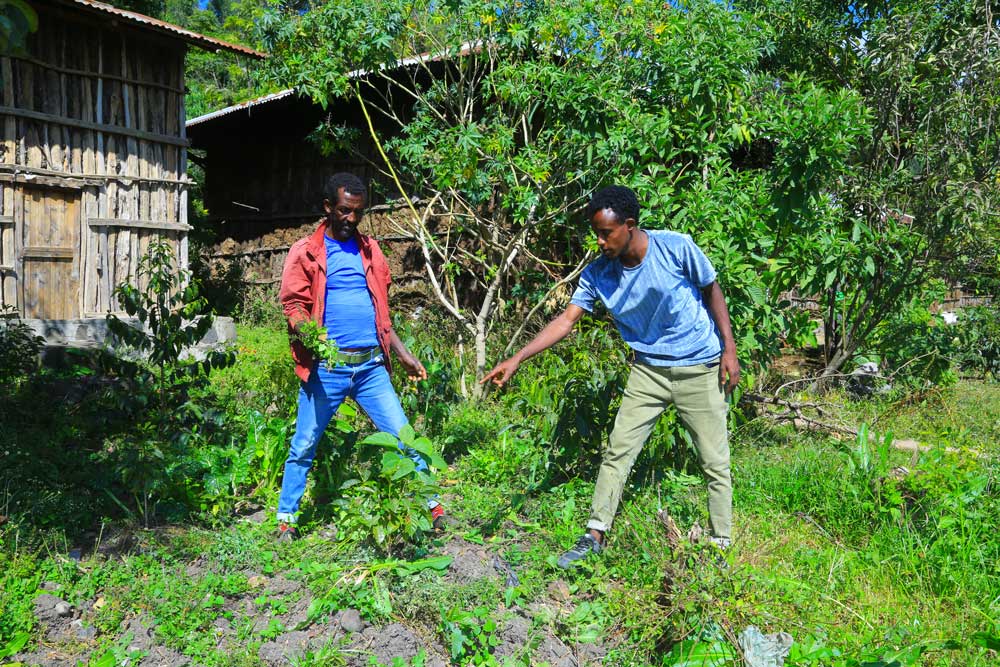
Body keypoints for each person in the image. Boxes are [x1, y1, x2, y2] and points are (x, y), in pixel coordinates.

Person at [482, 185, 740, 567]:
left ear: (630, 226)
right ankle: (594, 534)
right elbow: (567, 320)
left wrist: (728, 349)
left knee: (713, 460)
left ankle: (721, 543)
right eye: (596, 233)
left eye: (606, 233)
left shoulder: (676, 248)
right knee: (618, 451)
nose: (600, 242)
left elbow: (711, 289)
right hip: (647, 370)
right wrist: (519, 356)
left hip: (698, 365)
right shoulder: (599, 273)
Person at [275, 172, 442, 540]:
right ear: (328, 208)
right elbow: (293, 304)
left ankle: (433, 508)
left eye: (358, 212)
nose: (351, 219)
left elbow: (382, 315)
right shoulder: (306, 251)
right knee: (303, 445)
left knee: (404, 437)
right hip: (327, 369)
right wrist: (310, 336)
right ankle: (286, 519)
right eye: (344, 211)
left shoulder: (370, 250)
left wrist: (402, 354)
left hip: (370, 368)